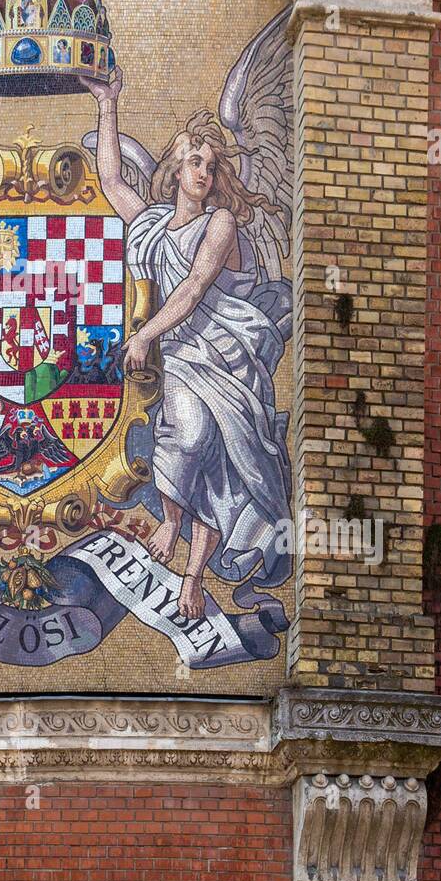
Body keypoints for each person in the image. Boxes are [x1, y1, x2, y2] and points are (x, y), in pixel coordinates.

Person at [84, 67, 291, 619]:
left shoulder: (221, 223)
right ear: (175, 169)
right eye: (193, 161)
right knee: (192, 434)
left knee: (218, 456)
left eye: (211, 164)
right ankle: (172, 521)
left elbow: (196, 288)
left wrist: (144, 334)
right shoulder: (151, 226)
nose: (203, 171)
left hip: (224, 353)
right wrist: (108, 105)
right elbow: (111, 183)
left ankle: (193, 575)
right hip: (179, 357)